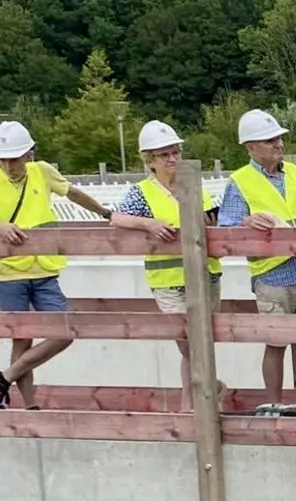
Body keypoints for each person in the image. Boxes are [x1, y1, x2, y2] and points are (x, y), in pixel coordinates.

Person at [0, 120, 112, 409]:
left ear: (29, 154)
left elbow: (72, 193)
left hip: (44, 268)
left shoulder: (42, 171)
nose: (8, 165)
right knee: (22, 339)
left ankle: (3, 379)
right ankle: (29, 406)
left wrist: (106, 213)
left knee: (64, 331)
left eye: (14, 158)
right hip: (7, 272)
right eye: (3, 159)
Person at [218, 109, 296, 414]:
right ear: (251, 147)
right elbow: (225, 226)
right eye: (270, 140)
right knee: (276, 340)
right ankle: (273, 404)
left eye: (278, 138)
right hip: (273, 272)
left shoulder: (295, 172)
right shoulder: (240, 182)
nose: (278, 144)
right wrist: (247, 221)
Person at [110, 120, 224, 413]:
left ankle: (191, 404)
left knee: (200, 342)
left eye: (175, 152)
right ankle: (207, 392)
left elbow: (213, 220)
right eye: (164, 155)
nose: (172, 159)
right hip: (169, 278)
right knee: (188, 342)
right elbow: (117, 218)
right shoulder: (143, 192)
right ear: (150, 159)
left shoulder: (195, 185)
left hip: (204, 274)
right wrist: (149, 223)